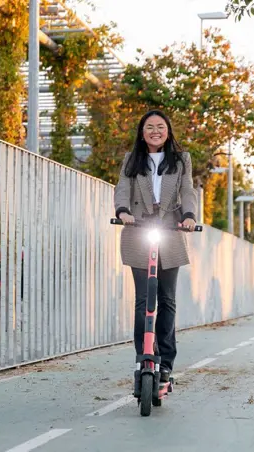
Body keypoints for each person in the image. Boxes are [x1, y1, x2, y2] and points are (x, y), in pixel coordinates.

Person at [113, 109, 198, 397]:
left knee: (167, 300)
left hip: (171, 232)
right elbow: (122, 189)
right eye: (149, 127)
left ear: (168, 131)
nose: (155, 131)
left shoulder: (181, 159)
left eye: (160, 127)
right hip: (139, 230)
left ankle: (166, 363)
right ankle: (145, 355)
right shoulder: (131, 159)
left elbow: (188, 191)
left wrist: (188, 215)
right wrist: (122, 211)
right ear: (142, 131)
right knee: (143, 300)